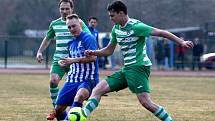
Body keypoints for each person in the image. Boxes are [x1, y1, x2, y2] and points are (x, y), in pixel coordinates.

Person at [79, 1, 193, 121]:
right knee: (98, 89)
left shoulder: (136, 26)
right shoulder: (116, 29)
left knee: (146, 103)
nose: (110, 18)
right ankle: (81, 116)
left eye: (112, 15)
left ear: (121, 13)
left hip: (139, 67)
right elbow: (109, 50)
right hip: (127, 69)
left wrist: (181, 42)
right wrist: (93, 52)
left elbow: (161, 32)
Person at [35, 0, 90, 119]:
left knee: (75, 89)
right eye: (62, 9)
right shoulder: (54, 24)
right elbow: (48, 38)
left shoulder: (79, 22)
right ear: (59, 9)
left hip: (74, 61)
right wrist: (39, 51)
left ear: (72, 9)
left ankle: (73, 111)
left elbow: (88, 36)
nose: (64, 11)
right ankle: (56, 110)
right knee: (53, 81)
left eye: (67, 9)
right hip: (58, 60)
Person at [48, 14, 99, 120]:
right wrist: (66, 62)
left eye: (74, 26)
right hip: (72, 79)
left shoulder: (88, 38)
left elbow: (93, 58)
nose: (72, 29)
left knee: (79, 96)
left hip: (88, 79)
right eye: (69, 27)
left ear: (80, 24)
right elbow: (72, 59)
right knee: (58, 109)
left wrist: (73, 60)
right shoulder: (71, 43)